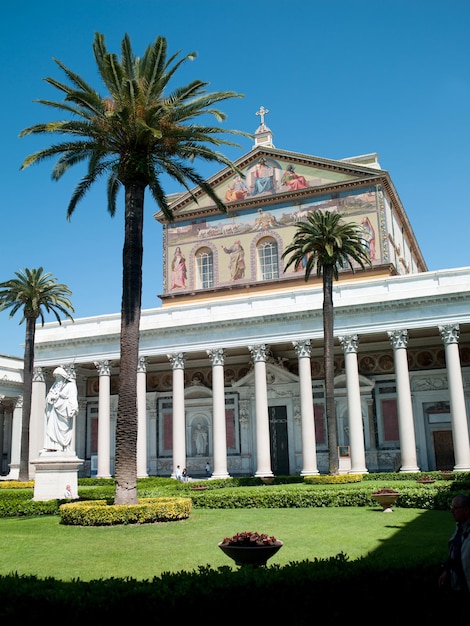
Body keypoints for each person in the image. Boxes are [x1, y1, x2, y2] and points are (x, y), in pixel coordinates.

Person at [439, 494, 470, 593]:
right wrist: (447, 571)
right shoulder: (459, 527)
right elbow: (454, 553)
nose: (451, 511)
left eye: (455, 508)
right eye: (451, 507)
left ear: (466, 510)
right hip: (457, 585)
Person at [44, 366, 78, 452]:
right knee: (51, 428)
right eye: (56, 378)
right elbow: (48, 397)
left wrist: (74, 408)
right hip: (53, 411)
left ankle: (62, 446)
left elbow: (73, 397)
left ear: (63, 377)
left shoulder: (70, 385)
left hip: (63, 411)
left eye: (59, 377)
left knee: (63, 430)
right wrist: (51, 398)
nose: (57, 380)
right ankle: (52, 446)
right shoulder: (54, 386)